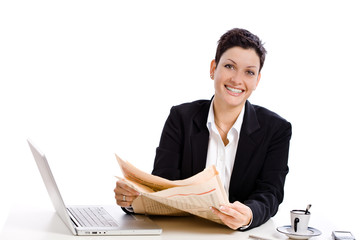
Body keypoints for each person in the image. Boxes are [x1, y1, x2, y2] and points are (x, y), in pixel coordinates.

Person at [114, 28, 292, 231]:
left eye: (249, 72)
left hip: (239, 235)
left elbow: (271, 192)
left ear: (257, 80)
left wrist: (249, 215)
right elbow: (162, 185)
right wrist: (132, 199)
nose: (237, 79)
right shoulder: (181, 118)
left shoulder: (276, 129)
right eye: (229, 66)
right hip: (184, 233)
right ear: (213, 68)